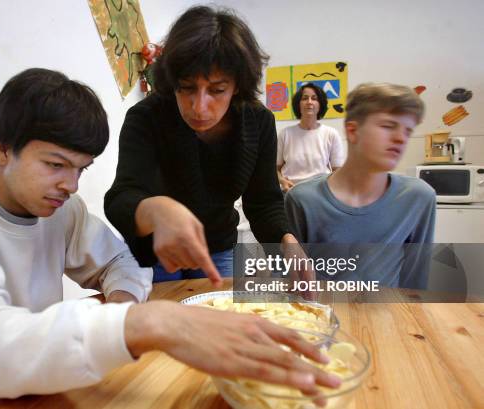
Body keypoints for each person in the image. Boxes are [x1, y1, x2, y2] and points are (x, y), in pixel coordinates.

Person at [0, 68, 340, 404]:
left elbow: (121, 264)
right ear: (2, 146)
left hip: (19, 380)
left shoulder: (62, 209)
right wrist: (146, 323)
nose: (71, 186)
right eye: (55, 165)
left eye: (81, 170)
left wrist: (120, 305)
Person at [105, 6, 310, 284]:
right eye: (187, 87)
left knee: (221, 319)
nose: (199, 107)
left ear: (237, 85)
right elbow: (120, 200)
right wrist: (156, 210)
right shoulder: (146, 117)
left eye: (217, 90)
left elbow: (263, 201)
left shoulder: (258, 121)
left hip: (218, 248)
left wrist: (286, 240)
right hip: (154, 254)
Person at [284, 83, 436, 289]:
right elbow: (289, 283)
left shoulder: (418, 198)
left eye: (408, 131)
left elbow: (416, 285)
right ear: (353, 131)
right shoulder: (302, 199)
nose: (401, 138)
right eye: (388, 126)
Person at [277, 83, 345, 191]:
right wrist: (282, 181)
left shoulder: (331, 134)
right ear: (298, 105)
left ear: (320, 104)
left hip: (321, 193)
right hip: (290, 192)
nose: (309, 102)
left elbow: (338, 171)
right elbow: (275, 169)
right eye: (304, 98)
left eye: (314, 98)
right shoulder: (285, 134)